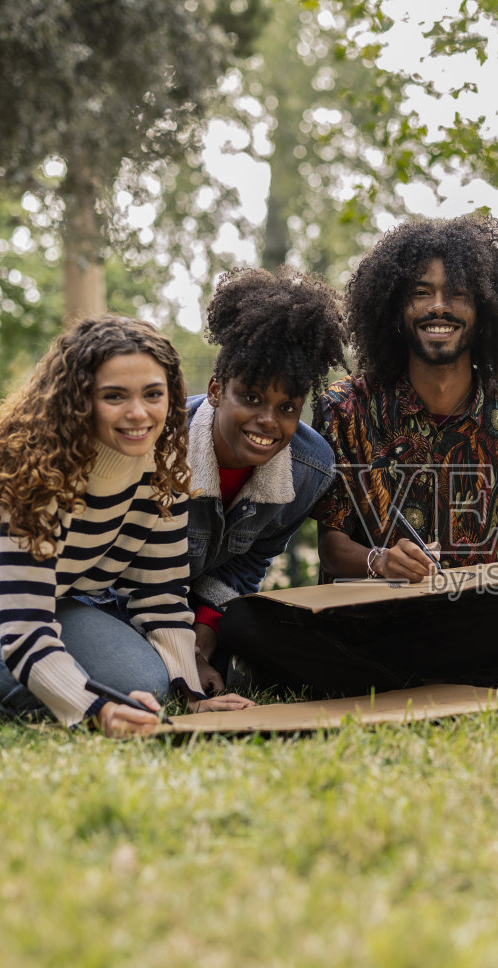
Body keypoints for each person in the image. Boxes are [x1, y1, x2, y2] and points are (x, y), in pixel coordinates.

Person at [218, 214, 498, 696]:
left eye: (459, 294)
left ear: (487, 310)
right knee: (244, 619)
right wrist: (380, 561)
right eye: (421, 293)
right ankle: (490, 681)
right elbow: (332, 548)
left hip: (462, 622)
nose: (439, 307)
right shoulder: (345, 408)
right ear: (394, 309)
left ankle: (334, 680)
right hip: (354, 617)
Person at [0, 316, 247, 737]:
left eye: (153, 395)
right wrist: (95, 711)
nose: (138, 413)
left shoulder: (162, 473)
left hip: (11, 603)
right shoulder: (36, 477)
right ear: (78, 400)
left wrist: (192, 697)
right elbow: (28, 632)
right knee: (61, 688)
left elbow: (159, 595)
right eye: (114, 396)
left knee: (143, 682)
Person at [180, 267, 345, 693]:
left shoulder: (311, 469)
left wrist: (203, 638)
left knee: (262, 624)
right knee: (139, 675)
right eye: (251, 398)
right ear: (217, 390)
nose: (268, 421)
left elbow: (247, 566)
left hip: (196, 603)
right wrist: (179, 652)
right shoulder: (159, 441)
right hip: (125, 598)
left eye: (287, 407)